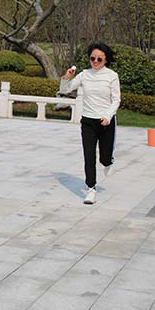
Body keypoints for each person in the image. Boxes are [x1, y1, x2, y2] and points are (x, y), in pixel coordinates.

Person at [60, 43, 121, 205]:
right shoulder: (84, 74)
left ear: (106, 60)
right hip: (88, 121)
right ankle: (91, 189)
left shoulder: (112, 76)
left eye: (99, 59)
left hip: (106, 122)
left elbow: (116, 100)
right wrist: (66, 78)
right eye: (92, 58)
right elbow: (65, 90)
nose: (95, 61)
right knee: (89, 155)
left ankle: (108, 162)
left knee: (104, 158)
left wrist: (108, 116)